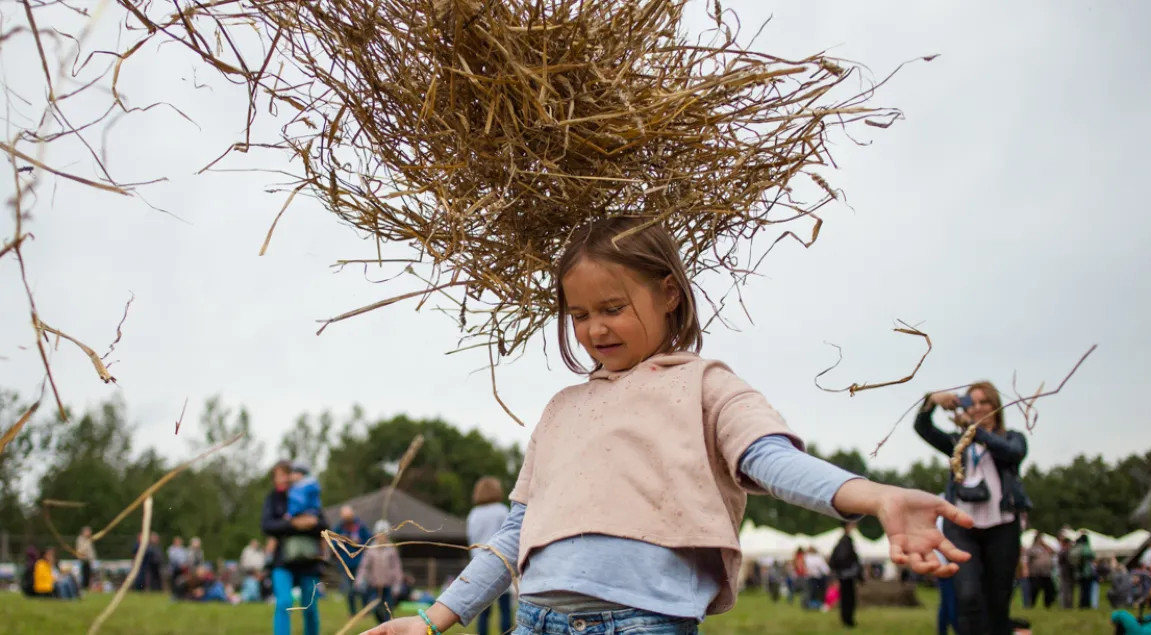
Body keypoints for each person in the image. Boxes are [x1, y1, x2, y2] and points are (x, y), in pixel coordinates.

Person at [357, 218, 974, 635]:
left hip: (642, 621)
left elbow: (770, 458)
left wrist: (875, 496)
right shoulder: (561, 409)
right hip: (537, 617)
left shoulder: (703, 384)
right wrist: (435, 618)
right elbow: (518, 531)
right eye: (579, 315)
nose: (595, 328)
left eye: (613, 308)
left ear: (670, 294)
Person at [916, 383, 1031, 635]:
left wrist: (974, 430)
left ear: (995, 406)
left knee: (998, 599)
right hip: (962, 527)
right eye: (972, 402)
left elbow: (1012, 453)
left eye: (984, 402)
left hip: (1002, 526)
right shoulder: (958, 443)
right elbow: (922, 428)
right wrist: (931, 401)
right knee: (968, 595)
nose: (978, 408)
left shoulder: (1011, 438)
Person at [263, 459, 328, 635]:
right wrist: (293, 524)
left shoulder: (309, 495)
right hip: (282, 561)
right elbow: (267, 525)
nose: (284, 478)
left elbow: (323, 525)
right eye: (280, 476)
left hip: (308, 561)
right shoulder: (273, 498)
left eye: (287, 474)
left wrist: (311, 523)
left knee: (310, 608)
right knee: (284, 603)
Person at [466, 477, 513, 635]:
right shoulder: (502, 510)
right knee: (505, 609)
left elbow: (471, 540)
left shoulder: (473, 514)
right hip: (500, 563)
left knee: (483, 612)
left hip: (479, 565)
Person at [357, 520, 404, 625]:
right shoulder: (370, 550)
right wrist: (360, 579)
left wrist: (397, 584)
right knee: (376, 609)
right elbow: (364, 567)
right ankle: (382, 625)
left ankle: (388, 627)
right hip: (374, 585)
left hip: (388, 586)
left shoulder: (392, 550)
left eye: (384, 534)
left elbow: (397, 568)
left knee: (388, 609)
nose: (382, 537)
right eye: (379, 534)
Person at [332, 505, 373, 616]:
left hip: (360, 563)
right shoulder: (339, 528)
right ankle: (353, 612)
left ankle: (365, 610)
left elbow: (369, 540)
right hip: (345, 564)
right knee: (349, 590)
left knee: (362, 587)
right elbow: (333, 544)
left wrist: (359, 542)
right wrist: (341, 541)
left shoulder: (360, 526)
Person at [830, 521, 863, 628]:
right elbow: (843, 558)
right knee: (848, 598)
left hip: (844, 574)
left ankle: (847, 619)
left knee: (846, 598)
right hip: (847, 575)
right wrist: (852, 570)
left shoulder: (843, 541)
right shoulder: (845, 541)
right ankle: (848, 620)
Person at [1026, 534, 1056, 609]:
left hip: (1046, 573)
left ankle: (1047, 604)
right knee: (1034, 590)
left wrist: (1045, 545)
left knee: (1049, 590)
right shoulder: (1033, 548)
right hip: (1036, 573)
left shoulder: (1045, 548)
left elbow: (1053, 552)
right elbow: (1029, 556)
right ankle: (1031, 604)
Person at [1072, 533, 1096, 609]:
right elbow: (1093, 555)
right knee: (1087, 589)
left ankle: (1081, 604)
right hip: (1086, 572)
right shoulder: (1086, 547)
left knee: (1081, 589)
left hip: (1079, 572)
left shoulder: (1076, 547)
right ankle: (1085, 604)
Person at [76, 526, 96, 592]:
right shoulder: (80, 539)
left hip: (89, 560)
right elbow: (81, 550)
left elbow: (91, 551)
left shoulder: (89, 539)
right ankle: (83, 587)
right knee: (84, 574)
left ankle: (87, 587)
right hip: (83, 559)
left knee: (88, 574)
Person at [1058, 536, 1076, 609]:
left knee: (1070, 591)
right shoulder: (1064, 552)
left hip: (1070, 574)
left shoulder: (1068, 551)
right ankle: (1065, 606)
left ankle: (1069, 605)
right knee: (1065, 590)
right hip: (1065, 574)